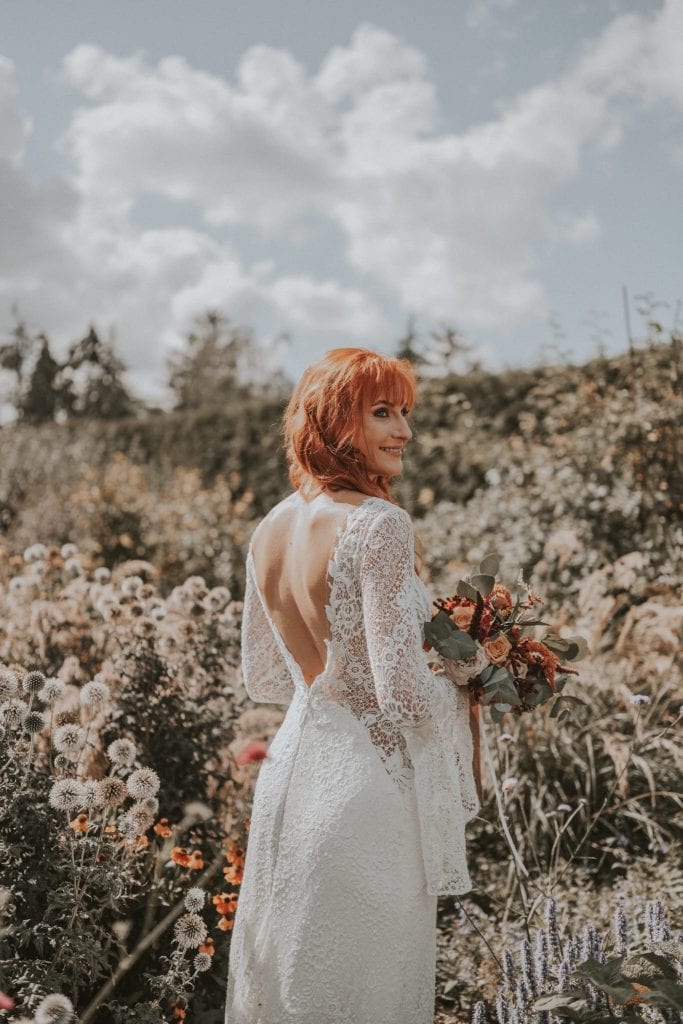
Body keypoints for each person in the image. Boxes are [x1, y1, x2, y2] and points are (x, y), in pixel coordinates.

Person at [224, 347, 486, 1024]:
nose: (403, 430)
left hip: (293, 776)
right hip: (370, 794)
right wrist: (472, 683)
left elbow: (268, 675)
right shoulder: (378, 525)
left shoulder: (267, 530)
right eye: (381, 412)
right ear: (333, 419)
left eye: (404, 413)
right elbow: (398, 694)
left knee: (289, 978)